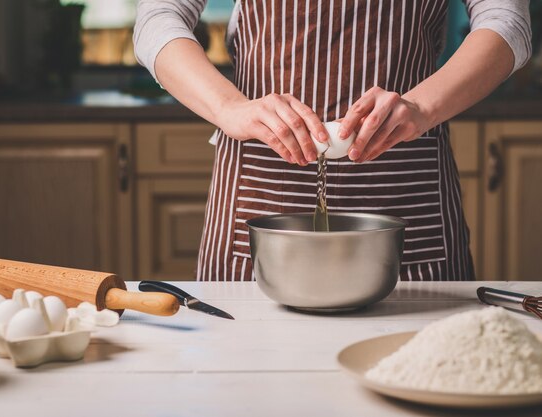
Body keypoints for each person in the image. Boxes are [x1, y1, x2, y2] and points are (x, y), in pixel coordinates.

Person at [134, 0, 531, 281]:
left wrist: (421, 108)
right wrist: (227, 108)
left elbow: (507, 21)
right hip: (260, 199)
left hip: (408, 211)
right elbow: (157, 15)